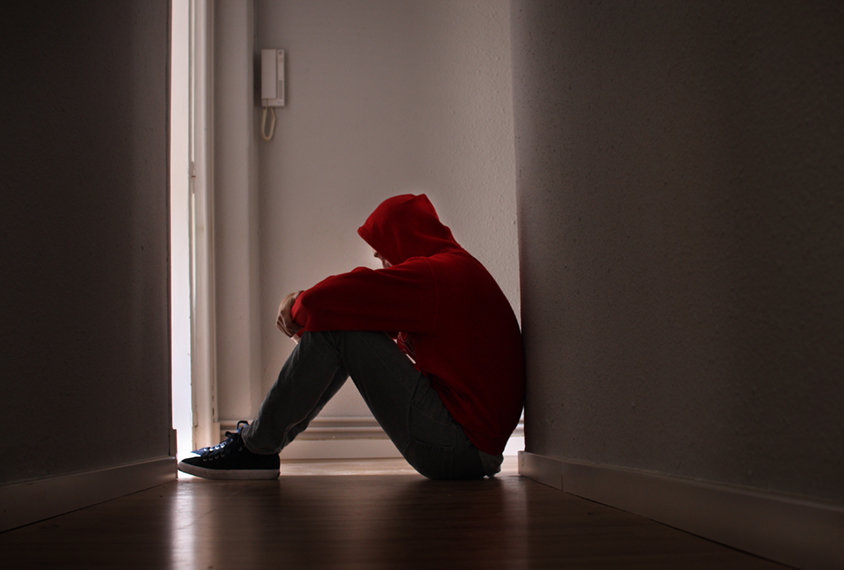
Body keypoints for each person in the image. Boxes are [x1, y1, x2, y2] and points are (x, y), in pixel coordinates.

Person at [178, 194, 524, 480]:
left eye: (382, 252)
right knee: (345, 323)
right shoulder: (449, 272)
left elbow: (326, 301)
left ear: (402, 238)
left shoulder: (435, 275)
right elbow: (350, 307)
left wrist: (292, 304)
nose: (384, 263)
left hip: (461, 449)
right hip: (473, 448)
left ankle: (254, 448)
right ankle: (258, 446)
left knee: (342, 326)